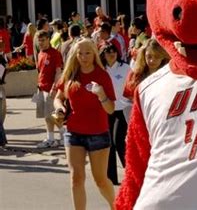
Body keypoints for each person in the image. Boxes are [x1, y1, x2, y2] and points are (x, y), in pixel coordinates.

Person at [53, 38, 116, 210]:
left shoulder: (102, 75)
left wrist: (101, 94)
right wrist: (59, 109)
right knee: (76, 179)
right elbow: (59, 98)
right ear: (74, 54)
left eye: (88, 52)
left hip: (98, 133)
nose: (84, 56)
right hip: (73, 133)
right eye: (80, 53)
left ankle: (116, 205)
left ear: (94, 53)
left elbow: (110, 109)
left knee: (101, 180)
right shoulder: (70, 74)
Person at [100, 43, 131, 186]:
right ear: (103, 54)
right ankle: (111, 178)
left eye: (113, 51)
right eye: (107, 51)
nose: (111, 54)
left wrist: (127, 101)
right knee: (109, 143)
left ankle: (131, 173)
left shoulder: (125, 68)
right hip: (107, 109)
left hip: (122, 109)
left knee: (118, 141)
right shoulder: (101, 69)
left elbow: (132, 85)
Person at [32, 30, 64, 148]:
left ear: (48, 40)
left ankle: (63, 135)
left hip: (51, 89)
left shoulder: (55, 54)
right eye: (39, 40)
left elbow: (58, 72)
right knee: (46, 116)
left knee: (52, 115)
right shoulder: (40, 53)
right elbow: (40, 72)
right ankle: (51, 138)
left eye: (43, 40)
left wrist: (54, 88)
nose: (41, 43)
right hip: (41, 88)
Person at [123, 39, 169, 104]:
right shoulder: (134, 74)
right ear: (143, 55)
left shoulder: (169, 76)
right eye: (149, 56)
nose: (152, 61)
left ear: (163, 57)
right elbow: (128, 97)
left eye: (157, 56)